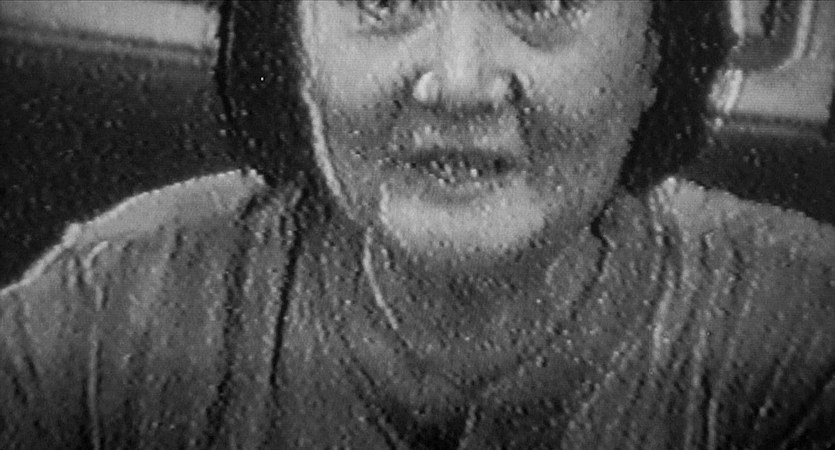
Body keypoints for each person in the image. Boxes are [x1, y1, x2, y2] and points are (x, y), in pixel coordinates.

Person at [2, 1, 834, 448]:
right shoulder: (104, 316)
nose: (458, 82)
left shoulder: (800, 334)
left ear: (654, 52)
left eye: (539, 3)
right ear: (295, 44)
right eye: (385, 1)